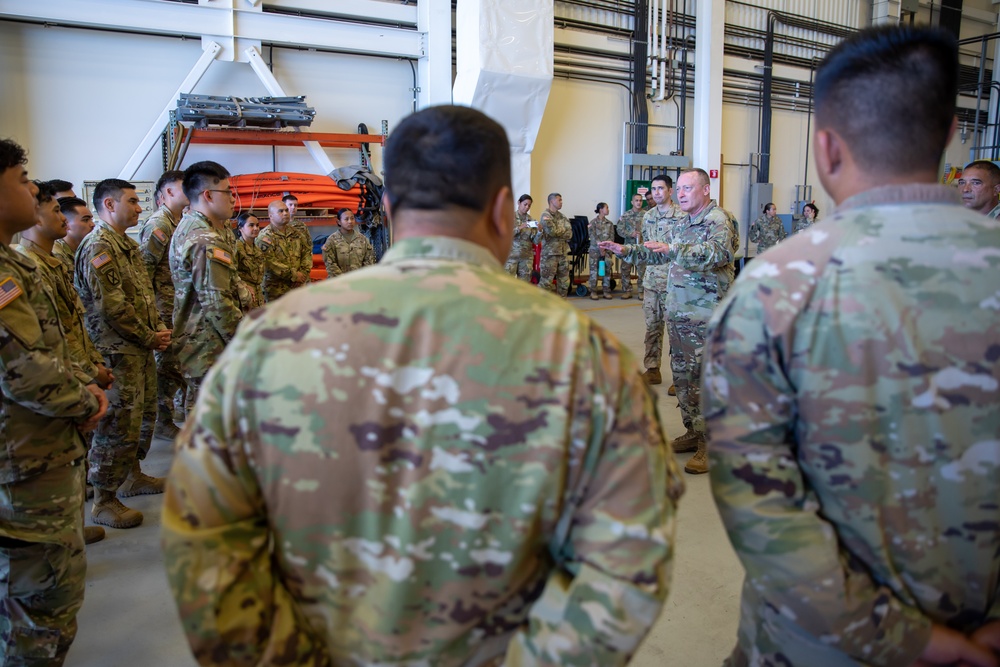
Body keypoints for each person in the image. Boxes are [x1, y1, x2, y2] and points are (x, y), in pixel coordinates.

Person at [162, 104, 683, 667]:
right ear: (505, 211)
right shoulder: (587, 356)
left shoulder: (270, 342)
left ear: (387, 208)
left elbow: (204, 539)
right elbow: (628, 559)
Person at [703, 25, 1000, 667]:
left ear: (826, 147)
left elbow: (760, 506)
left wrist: (901, 637)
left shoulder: (772, 293)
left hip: (819, 650)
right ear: (950, 133)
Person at [0, 138, 107, 665]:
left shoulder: (11, 266)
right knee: (36, 615)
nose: (33, 189)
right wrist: (85, 400)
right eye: (22, 179)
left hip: (38, 454)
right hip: (23, 467)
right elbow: (23, 372)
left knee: (49, 599)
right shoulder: (5, 272)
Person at [602, 168, 739, 474]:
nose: (681, 193)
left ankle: (710, 443)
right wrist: (625, 251)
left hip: (706, 315)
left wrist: (673, 249)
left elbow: (716, 254)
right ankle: (694, 431)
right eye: (679, 188)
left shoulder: (718, 220)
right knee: (684, 379)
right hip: (680, 313)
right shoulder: (684, 223)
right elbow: (661, 254)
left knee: (703, 380)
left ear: (705, 190)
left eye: (687, 188)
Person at [14, 181, 111, 546]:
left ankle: (72, 521)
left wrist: (91, 370)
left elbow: (72, 327)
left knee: (76, 462)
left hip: (76, 376)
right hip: (56, 390)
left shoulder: (52, 262)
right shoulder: (28, 266)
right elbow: (39, 348)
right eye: (55, 210)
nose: (64, 217)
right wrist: (85, 383)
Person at [76, 178, 171, 529]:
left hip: (137, 348)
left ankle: (132, 476)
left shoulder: (124, 245)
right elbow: (110, 307)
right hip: (116, 352)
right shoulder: (99, 246)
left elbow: (144, 295)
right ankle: (103, 500)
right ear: (110, 205)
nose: (139, 207)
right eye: (132, 201)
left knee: (139, 420)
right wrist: (149, 336)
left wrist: (154, 331)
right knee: (116, 425)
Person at [169, 161, 243, 414]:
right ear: (208, 195)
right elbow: (218, 304)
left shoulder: (189, 227)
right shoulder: (205, 239)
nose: (233, 199)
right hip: (210, 348)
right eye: (228, 192)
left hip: (199, 344)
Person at [617, 175, 684, 386]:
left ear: (670, 191)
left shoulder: (682, 216)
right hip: (652, 281)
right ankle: (652, 369)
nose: (656, 192)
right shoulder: (648, 217)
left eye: (661, 188)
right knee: (652, 328)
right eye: (654, 189)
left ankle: (679, 379)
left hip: (674, 282)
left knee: (676, 331)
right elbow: (646, 249)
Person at [138, 170, 189, 440]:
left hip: (176, 308)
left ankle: (169, 414)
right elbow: (143, 271)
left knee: (176, 365)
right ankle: (162, 420)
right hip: (163, 309)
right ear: (168, 192)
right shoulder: (160, 224)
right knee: (167, 366)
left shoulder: (180, 221)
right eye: (184, 186)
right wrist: (152, 316)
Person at [257, 198, 312, 301]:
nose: (286, 213)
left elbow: (307, 252)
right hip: (276, 289)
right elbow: (270, 262)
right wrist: (294, 275)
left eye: (286, 210)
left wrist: (303, 274)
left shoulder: (296, 233)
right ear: (270, 215)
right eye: (281, 211)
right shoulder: (265, 237)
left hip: (298, 286)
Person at [322, 207, 376, 278]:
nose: (350, 221)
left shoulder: (363, 239)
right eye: (346, 219)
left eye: (352, 218)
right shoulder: (331, 240)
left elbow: (369, 260)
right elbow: (330, 264)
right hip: (338, 282)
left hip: (358, 281)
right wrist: (344, 279)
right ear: (339, 222)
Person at [536, 192, 572, 296]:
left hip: (563, 253)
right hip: (550, 254)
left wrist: (559, 231)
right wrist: (563, 230)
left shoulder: (562, 216)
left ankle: (562, 306)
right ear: (552, 201)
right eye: (559, 200)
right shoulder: (545, 216)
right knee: (546, 283)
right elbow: (552, 232)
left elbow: (569, 234)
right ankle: (542, 307)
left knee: (564, 283)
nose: (562, 202)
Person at [53, 195, 94, 280]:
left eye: (91, 219)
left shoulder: (87, 249)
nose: (92, 224)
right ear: (66, 223)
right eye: (85, 220)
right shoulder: (57, 255)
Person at [615, 193, 646, 299]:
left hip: (641, 247)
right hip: (628, 247)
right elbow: (619, 230)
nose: (638, 202)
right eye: (636, 200)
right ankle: (627, 290)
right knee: (625, 269)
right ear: (632, 202)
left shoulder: (646, 215)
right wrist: (630, 234)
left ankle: (641, 291)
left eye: (640, 200)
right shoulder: (626, 215)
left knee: (642, 270)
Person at [235, 211, 264, 310]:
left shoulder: (257, 249)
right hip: (243, 295)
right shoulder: (236, 248)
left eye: (257, 225)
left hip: (258, 296)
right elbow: (231, 274)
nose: (256, 228)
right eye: (251, 225)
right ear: (241, 228)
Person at [503, 193, 535, 281]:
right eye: (525, 204)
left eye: (529, 205)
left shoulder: (531, 220)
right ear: (519, 203)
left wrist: (539, 231)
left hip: (526, 258)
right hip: (511, 256)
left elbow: (535, 240)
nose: (527, 207)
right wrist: (519, 228)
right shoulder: (509, 217)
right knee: (507, 283)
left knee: (524, 286)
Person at [587, 202, 615, 299]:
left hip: (607, 250)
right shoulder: (592, 223)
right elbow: (592, 236)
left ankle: (606, 291)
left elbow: (612, 237)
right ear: (601, 210)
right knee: (594, 271)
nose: (608, 210)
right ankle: (593, 292)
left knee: (607, 270)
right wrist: (600, 246)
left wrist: (605, 247)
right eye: (606, 208)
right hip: (595, 250)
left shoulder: (610, 224)